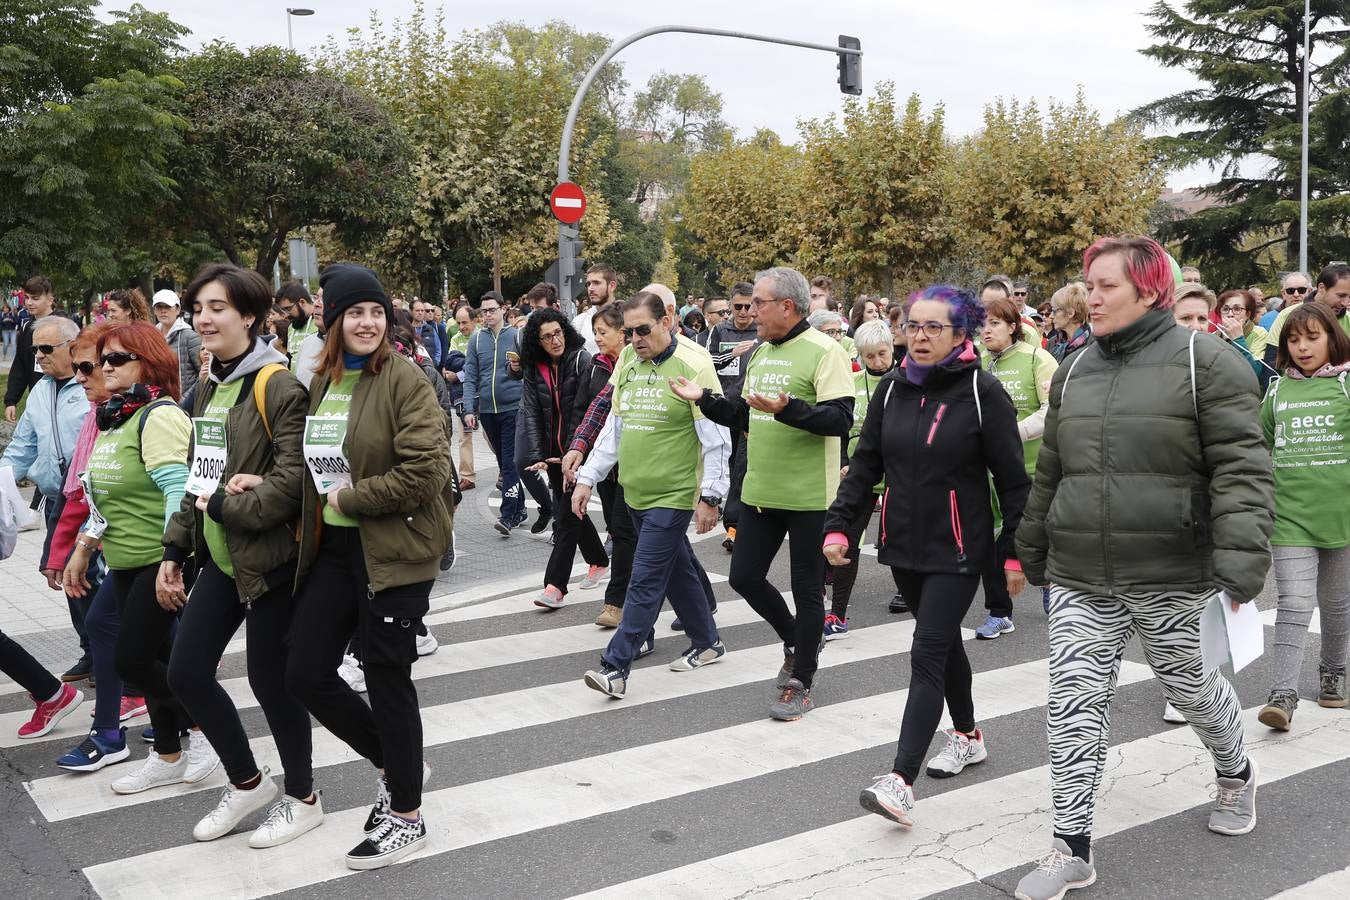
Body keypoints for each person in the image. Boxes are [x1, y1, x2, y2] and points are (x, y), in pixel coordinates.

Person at [1013, 235, 1273, 900]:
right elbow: (1053, 470)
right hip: (1080, 573)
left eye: (1105, 286)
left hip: (1171, 570)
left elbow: (1242, 470)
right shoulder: (1073, 367)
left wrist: (1241, 565)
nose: (1089, 297)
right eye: (1088, 284)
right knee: (1073, 705)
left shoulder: (1205, 362)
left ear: (1151, 291)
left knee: (1189, 688)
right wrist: (1031, 545)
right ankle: (1070, 847)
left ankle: (1236, 770)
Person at [831, 285, 1028, 827]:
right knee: (942, 648)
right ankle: (968, 735)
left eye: (932, 327)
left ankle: (900, 779)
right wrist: (840, 527)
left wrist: (1013, 555)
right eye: (912, 326)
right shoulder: (892, 389)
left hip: (961, 549)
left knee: (926, 652)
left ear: (960, 334)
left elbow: (1014, 484)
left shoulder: (983, 393)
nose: (918, 336)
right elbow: (865, 464)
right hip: (903, 545)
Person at [284, 263, 454, 871]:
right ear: (332, 321)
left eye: (376, 312)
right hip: (336, 551)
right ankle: (397, 760)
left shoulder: (404, 378)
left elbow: (426, 472)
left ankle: (406, 814)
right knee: (303, 670)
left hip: (398, 550)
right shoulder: (324, 382)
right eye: (355, 312)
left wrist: (352, 500)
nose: (367, 322)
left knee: (386, 678)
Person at [150, 263, 318, 846]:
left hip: (270, 558)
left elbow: (294, 483)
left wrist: (223, 507)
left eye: (217, 308)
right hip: (221, 558)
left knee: (272, 683)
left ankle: (303, 796)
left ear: (249, 315)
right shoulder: (209, 386)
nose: (203, 319)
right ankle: (249, 783)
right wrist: (175, 546)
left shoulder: (278, 386)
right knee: (187, 672)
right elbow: (203, 475)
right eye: (198, 309)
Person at [671, 267, 854, 721]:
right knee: (743, 578)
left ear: (787, 307)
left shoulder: (824, 351)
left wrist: (790, 409)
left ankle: (801, 681)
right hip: (760, 491)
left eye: (759, 303)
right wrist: (703, 398)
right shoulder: (759, 354)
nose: (751, 311)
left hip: (810, 497)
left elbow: (839, 419)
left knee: (808, 591)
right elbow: (742, 414)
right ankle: (796, 637)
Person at [57, 323, 216, 783]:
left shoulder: (158, 416)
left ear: (149, 363)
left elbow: (175, 491)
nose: (104, 367)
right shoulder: (115, 416)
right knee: (154, 653)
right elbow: (102, 496)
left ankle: (209, 732)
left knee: (133, 662)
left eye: (116, 359)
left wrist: (173, 559)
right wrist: (84, 548)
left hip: (155, 558)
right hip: (123, 560)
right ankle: (167, 755)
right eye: (101, 359)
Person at [573, 292, 729, 698]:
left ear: (667, 322)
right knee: (677, 571)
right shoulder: (627, 361)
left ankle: (615, 667)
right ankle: (707, 641)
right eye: (629, 332)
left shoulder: (693, 365)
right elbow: (615, 427)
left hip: (673, 495)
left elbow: (715, 437)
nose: (636, 339)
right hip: (634, 493)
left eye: (644, 330)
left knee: (643, 581)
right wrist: (588, 477)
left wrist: (711, 494)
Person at [1257, 302, 1350, 730]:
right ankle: (1282, 694)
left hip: (1343, 517)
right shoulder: (1277, 391)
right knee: (1293, 603)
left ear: (1332, 336)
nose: (1302, 347)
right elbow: (1258, 447)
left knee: (1336, 605)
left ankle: (1333, 676)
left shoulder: (1347, 385)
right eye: (1293, 340)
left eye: (1312, 337)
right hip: (1290, 516)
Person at [0, 317, 92, 676]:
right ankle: (90, 650)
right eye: (34, 349)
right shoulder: (40, 389)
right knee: (60, 577)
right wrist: (3, 480)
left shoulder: (91, 386)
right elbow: (23, 444)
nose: (38, 356)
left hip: (90, 504)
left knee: (90, 580)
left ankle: (109, 658)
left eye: (46, 349)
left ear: (72, 347)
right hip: (57, 500)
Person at [976, 296, 1058, 637]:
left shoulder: (1039, 358)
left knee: (1030, 534)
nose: (987, 330)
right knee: (987, 538)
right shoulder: (975, 362)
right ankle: (999, 611)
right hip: (984, 468)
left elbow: (1051, 409)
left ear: (1013, 327)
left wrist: (1012, 435)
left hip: (1031, 466)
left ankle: (1048, 584)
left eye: (995, 323)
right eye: (983, 323)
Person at [516, 310, 608, 609]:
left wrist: (572, 452)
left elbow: (583, 410)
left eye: (558, 333)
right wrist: (539, 455)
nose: (555, 340)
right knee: (569, 508)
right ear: (536, 341)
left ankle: (555, 585)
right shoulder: (534, 368)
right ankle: (597, 559)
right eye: (546, 337)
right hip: (554, 454)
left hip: (577, 450)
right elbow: (531, 411)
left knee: (565, 517)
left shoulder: (581, 360)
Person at [823, 320, 902, 638]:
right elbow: (840, 429)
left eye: (882, 354)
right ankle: (837, 614)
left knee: (899, 539)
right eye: (868, 356)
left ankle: (909, 592)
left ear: (892, 349)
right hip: (860, 474)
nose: (876, 362)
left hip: (898, 475)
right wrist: (843, 461)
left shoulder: (906, 382)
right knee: (847, 541)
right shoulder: (852, 382)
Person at [462, 291, 553, 535]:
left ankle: (509, 514)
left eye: (492, 310)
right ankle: (522, 509)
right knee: (504, 463)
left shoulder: (517, 336)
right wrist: (469, 408)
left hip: (515, 408)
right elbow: (470, 376)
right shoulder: (476, 340)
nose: (487, 315)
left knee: (511, 463)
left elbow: (532, 373)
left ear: (504, 309)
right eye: (484, 312)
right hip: (488, 411)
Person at [577, 304, 635, 628]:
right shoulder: (602, 365)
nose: (597, 338)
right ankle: (617, 603)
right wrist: (577, 447)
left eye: (603, 332)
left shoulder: (682, 360)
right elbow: (600, 407)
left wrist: (709, 491)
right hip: (610, 468)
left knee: (634, 537)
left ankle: (618, 603)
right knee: (623, 532)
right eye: (595, 332)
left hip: (652, 473)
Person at [705, 282, 760, 554]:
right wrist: (731, 354)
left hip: (748, 409)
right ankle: (712, 504)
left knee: (742, 468)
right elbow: (706, 361)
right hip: (720, 406)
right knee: (721, 464)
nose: (743, 311)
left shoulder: (761, 332)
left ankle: (735, 527)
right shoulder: (719, 330)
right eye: (737, 306)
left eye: (748, 306)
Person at [6, 275, 69, 422]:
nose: (29, 303)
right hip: (36, 399)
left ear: (50, 299)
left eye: (35, 298)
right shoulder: (27, 327)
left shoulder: (63, 325)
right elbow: (20, 365)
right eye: (27, 298)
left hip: (62, 399)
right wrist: (11, 400)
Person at [1215, 288, 1274, 388]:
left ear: (1248, 314)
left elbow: (1255, 373)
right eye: (1225, 309)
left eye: (1237, 309)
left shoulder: (1258, 333)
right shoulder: (1213, 337)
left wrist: (1238, 339)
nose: (1230, 314)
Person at [446, 303, 477, 491]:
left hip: (483, 392)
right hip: (462, 395)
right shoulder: (455, 338)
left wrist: (459, 375)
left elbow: (478, 366)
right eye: (458, 323)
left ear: (474, 321)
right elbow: (451, 361)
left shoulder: (482, 336)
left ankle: (504, 471)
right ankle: (467, 476)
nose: (462, 326)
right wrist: (464, 367)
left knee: (491, 436)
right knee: (465, 435)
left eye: (465, 322)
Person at [152, 289, 202, 399]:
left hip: (186, 405)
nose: (163, 311)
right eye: (159, 307)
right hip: (160, 404)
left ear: (178, 309)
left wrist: (186, 399)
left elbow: (203, 373)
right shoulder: (152, 338)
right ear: (154, 311)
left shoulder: (190, 337)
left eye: (167, 307)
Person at [276, 281, 319, 376]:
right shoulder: (291, 327)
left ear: (302, 302)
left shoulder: (320, 323)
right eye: (283, 310)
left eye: (288, 309)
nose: (286, 315)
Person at [575, 264, 620, 354]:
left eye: (596, 283)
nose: (590, 288)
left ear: (612, 286)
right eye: (588, 284)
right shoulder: (579, 322)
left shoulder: (628, 318)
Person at [1046, 282, 1093, 362]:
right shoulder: (1052, 343)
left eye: (1054, 311)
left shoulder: (1094, 345)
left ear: (1070, 313)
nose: (1051, 316)